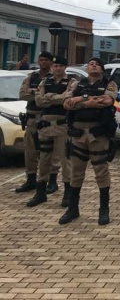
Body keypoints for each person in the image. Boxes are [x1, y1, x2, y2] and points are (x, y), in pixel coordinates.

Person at [60, 58, 118, 225]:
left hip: (97, 134)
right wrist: (88, 101)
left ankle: (103, 210)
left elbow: (106, 101)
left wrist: (79, 100)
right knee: (76, 172)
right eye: (91, 63)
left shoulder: (109, 83)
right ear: (86, 67)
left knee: (101, 171)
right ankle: (72, 209)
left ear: (102, 69)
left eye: (97, 64)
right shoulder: (76, 84)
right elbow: (66, 103)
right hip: (77, 133)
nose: (93, 65)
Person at [26, 56, 72, 209]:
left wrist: (49, 97)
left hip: (62, 126)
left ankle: (68, 194)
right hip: (45, 125)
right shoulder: (45, 81)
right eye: (56, 65)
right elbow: (39, 101)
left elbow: (67, 100)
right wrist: (57, 98)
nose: (58, 68)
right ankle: (40, 192)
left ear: (65, 67)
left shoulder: (72, 82)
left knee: (66, 160)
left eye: (60, 65)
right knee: (44, 159)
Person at [15, 51, 61, 194]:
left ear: (51, 62)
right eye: (41, 60)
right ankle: (31, 180)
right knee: (30, 151)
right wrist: (42, 94)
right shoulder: (32, 76)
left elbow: (58, 98)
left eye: (46, 60)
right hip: (31, 119)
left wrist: (36, 93)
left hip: (48, 119)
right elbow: (23, 94)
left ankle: (52, 181)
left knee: (51, 152)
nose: (43, 62)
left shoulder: (55, 78)